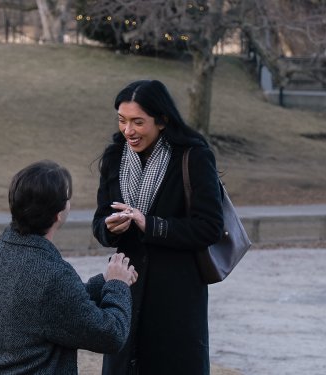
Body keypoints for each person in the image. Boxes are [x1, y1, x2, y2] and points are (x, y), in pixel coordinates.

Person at [93, 80, 224, 374]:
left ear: (162, 121)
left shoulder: (194, 156)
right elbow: (99, 220)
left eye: (138, 122)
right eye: (122, 120)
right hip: (127, 289)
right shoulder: (115, 156)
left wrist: (149, 224)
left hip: (176, 296)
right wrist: (110, 227)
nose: (128, 131)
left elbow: (209, 227)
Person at [0, 160, 138, 375]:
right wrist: (117, 285)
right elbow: (111, 335)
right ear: (58, 213)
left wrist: (105, 280)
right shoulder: (51, 274)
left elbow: (53, 305)